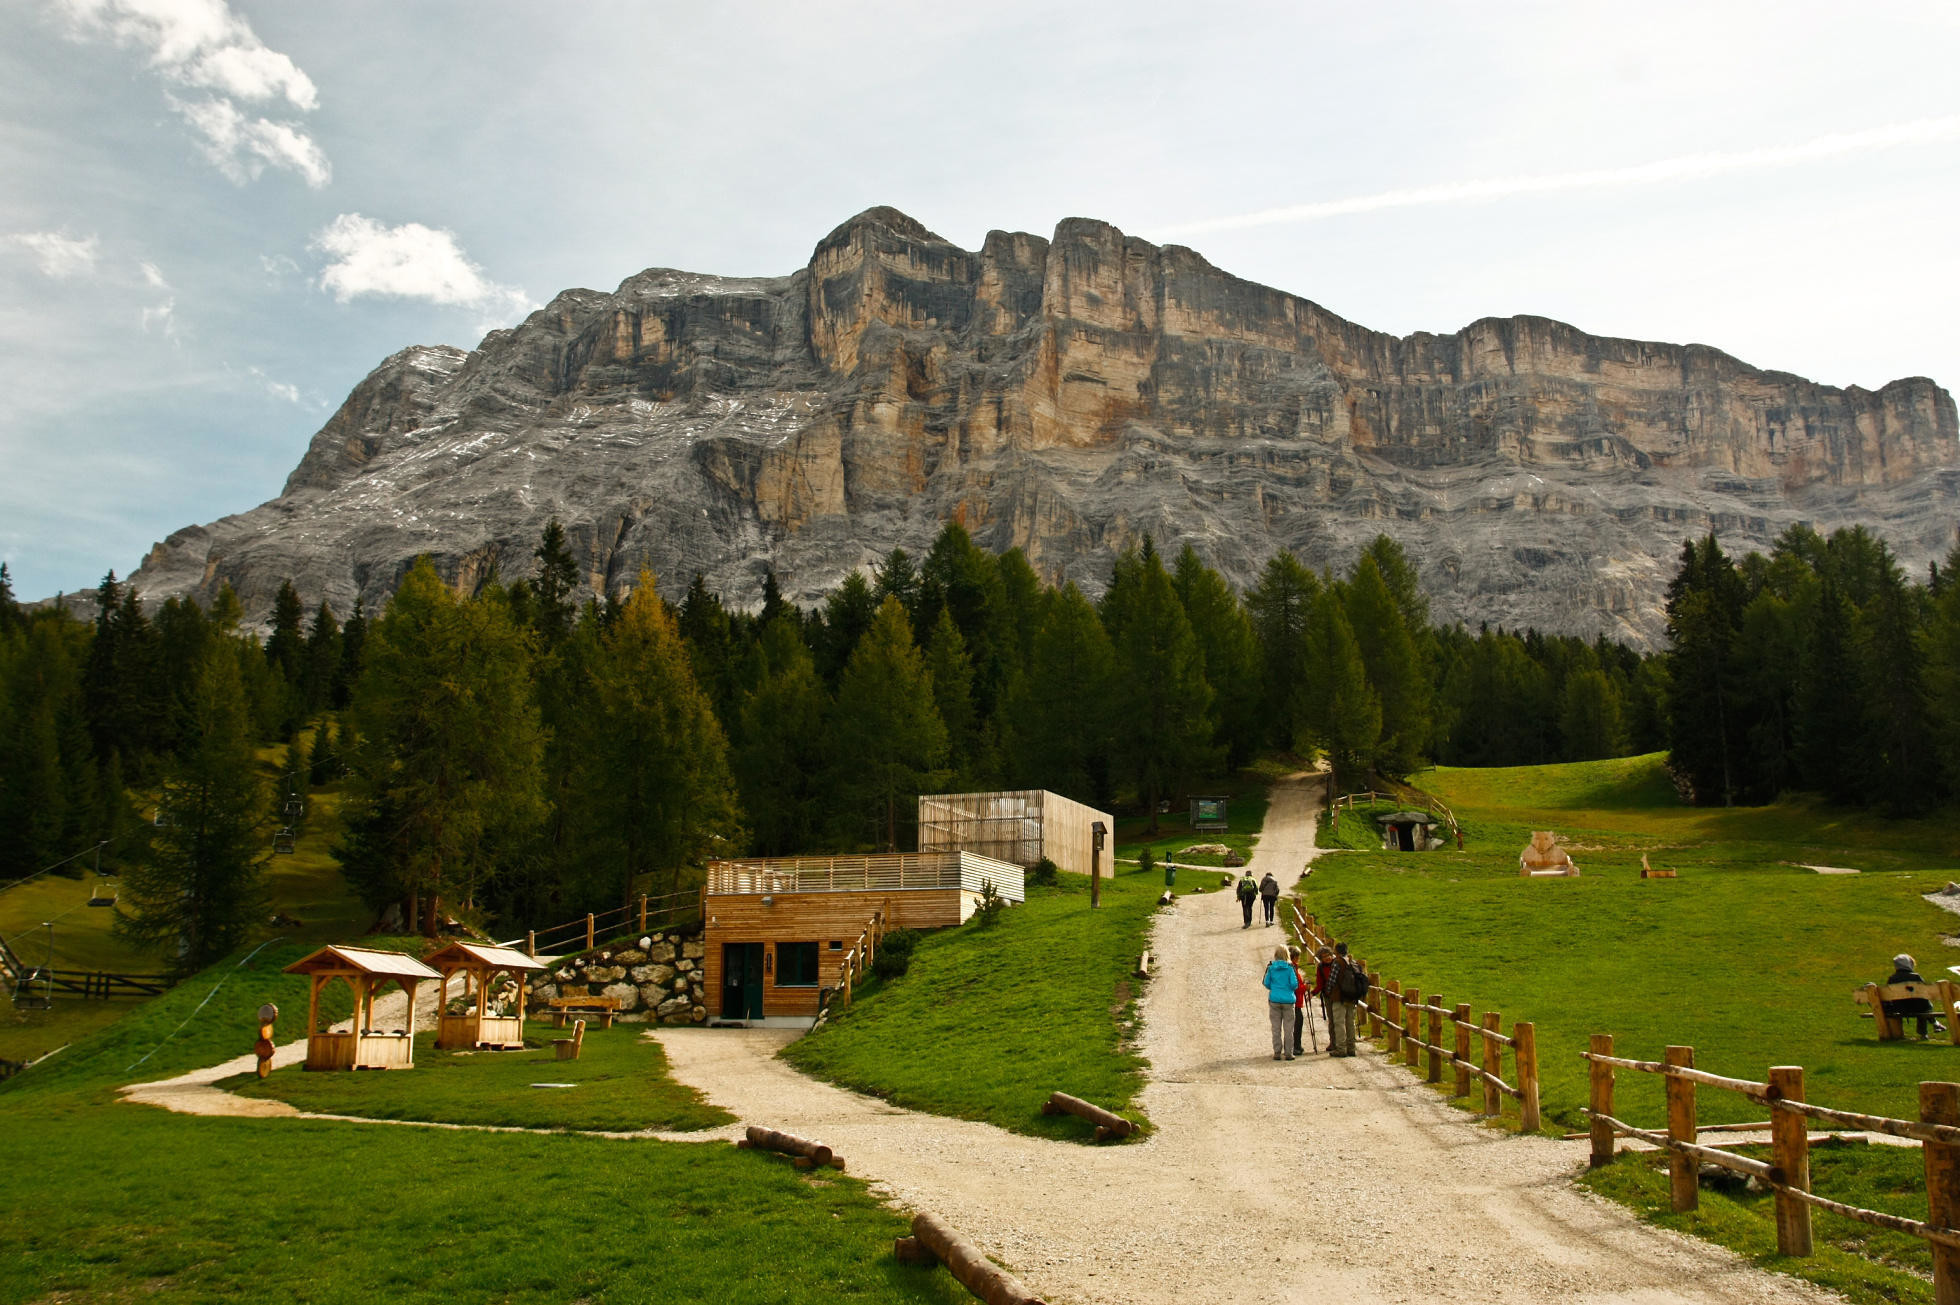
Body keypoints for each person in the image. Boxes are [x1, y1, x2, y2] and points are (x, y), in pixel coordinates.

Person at [1883, 953, 1948, 1039]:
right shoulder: (1916, 977)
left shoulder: (1892, 979)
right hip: (1919, 1007)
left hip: (1900, 1008)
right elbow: (1925, 993)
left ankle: (1934, 1025)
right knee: (1923, 1003)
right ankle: (1927, 1030)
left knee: (1921, 1003)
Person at [1321, 941, 1362, 1057]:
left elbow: (1332, 980)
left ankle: (1341, 1049)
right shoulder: (1353, 962)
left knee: (1339, 1023)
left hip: (1339, 997)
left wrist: (1328, 992)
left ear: (1336, 952)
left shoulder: (1337, 963)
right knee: (1350, 1023)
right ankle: (1351, 1048)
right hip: (1352, 997)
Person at [1263, 946, 1299, 1060]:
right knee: (1289, 1028)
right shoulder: (1290, 968)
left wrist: (1274, 988)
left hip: (1275, 1000)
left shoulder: (1271, 967)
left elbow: (1266, 983)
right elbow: (1294, 984)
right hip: (1288, 1000)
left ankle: (1277, 1052)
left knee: (1276, 1028)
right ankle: (1289, 1053)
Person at [1289, 945, 1310, 1054]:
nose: (1299, 958)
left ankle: (1297, 1045)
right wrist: (1305, 987)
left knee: (1297, 1023)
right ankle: (1296, 1046)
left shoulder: (1293, 967)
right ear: (1294, 957)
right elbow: (1296, 987)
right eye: (1298, 956)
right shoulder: (1292, 968)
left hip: (1294, 1001)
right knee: (1297, 1023)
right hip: (1295, 1001)